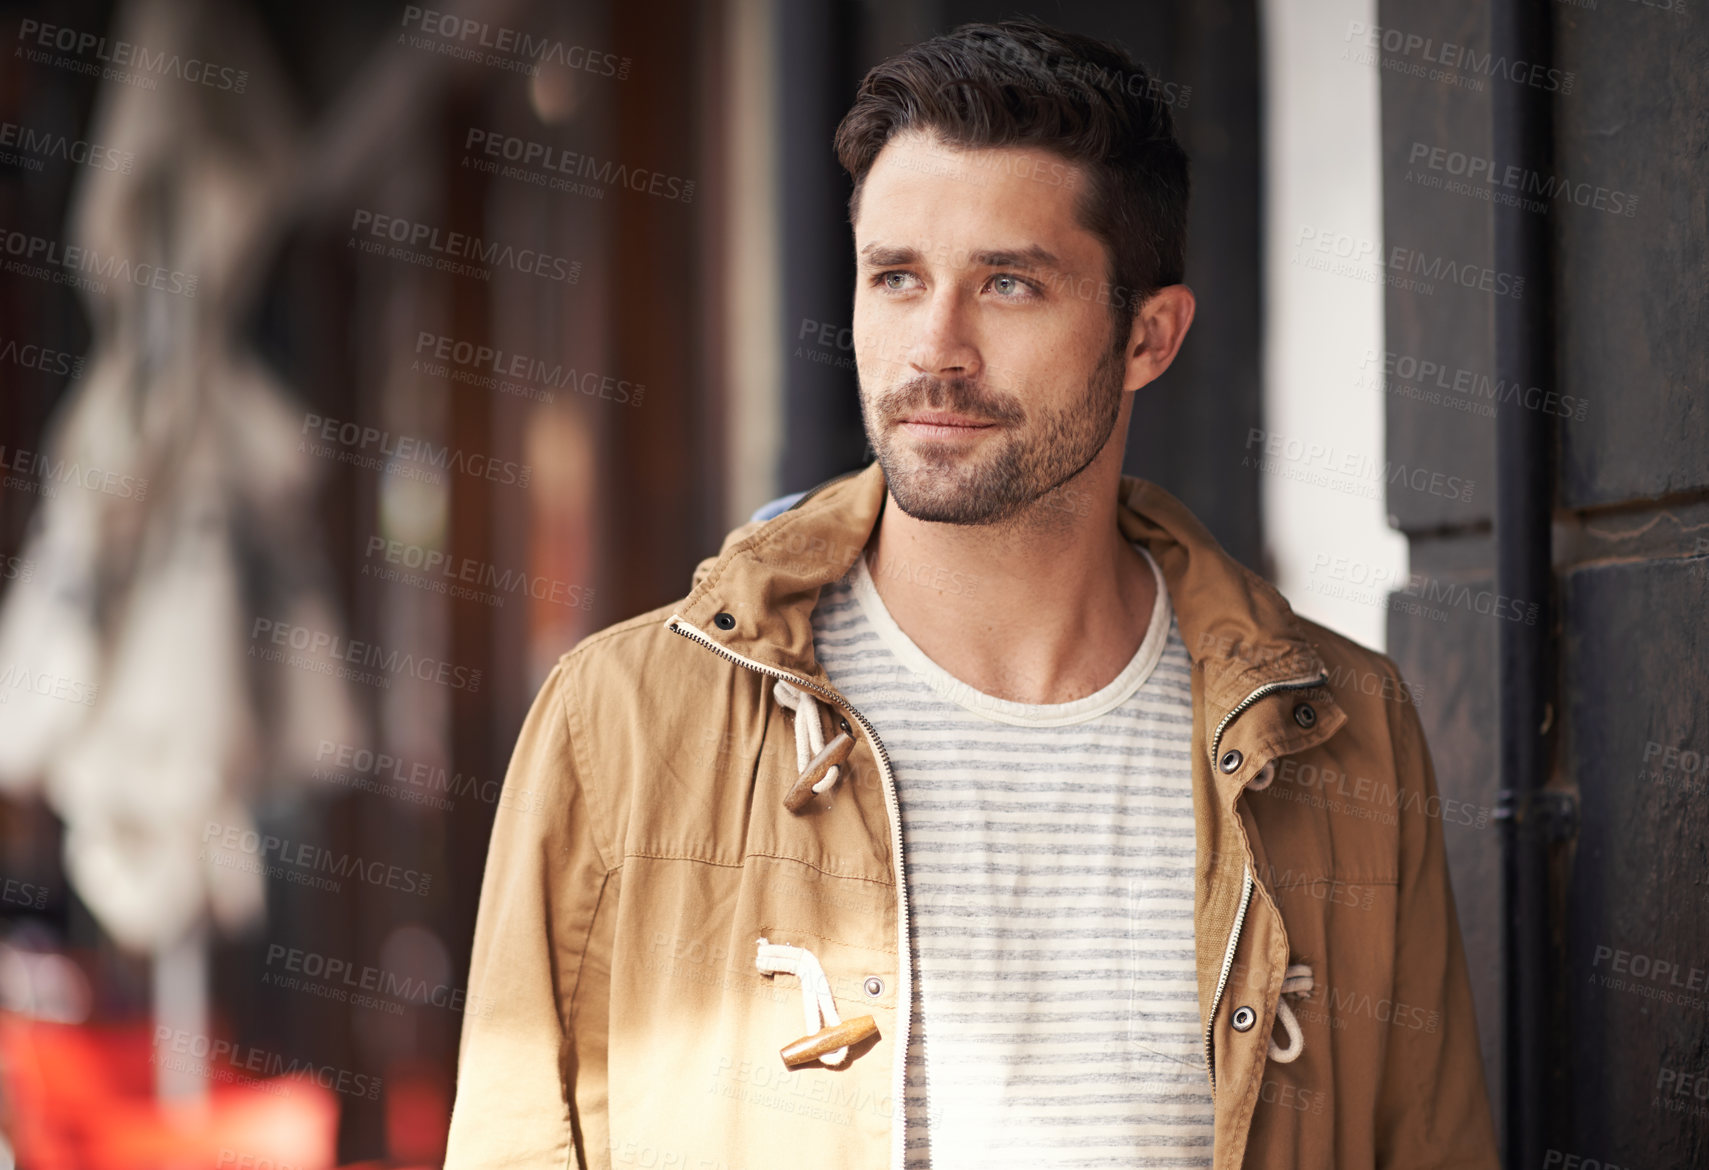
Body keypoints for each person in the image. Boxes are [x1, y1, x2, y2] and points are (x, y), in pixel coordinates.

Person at [444, 18, 1499, 1170]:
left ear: (1147, 336)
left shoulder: (1342, 738)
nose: (932, 348)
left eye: (1006, 284)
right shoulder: (619, 725)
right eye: (894, 278)